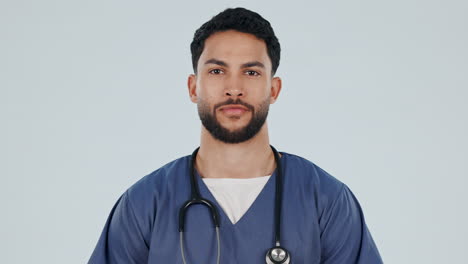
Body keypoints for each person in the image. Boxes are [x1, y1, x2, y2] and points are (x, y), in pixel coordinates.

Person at [89, 7, 383, 264]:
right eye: (217, 71)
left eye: (251, 72)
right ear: (193, 88)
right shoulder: (145, 203)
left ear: (274, 89)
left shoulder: (325, 200)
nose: (233, 88)